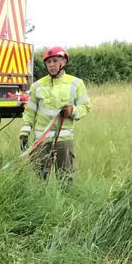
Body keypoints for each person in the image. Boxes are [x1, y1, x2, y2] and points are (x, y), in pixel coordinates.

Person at [20, 47, 91, 178]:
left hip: (64, 141)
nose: (51, 65)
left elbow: (85, 107)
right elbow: (29, 112)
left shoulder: (76, 83)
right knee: (39, 180)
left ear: (63, 62)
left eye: (54, 61)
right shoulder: (37, 85)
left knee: (65, 179)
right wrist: (24, 133)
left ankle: (64, 199)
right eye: (48, 62)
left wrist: (73, 111)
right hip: (41, 142)